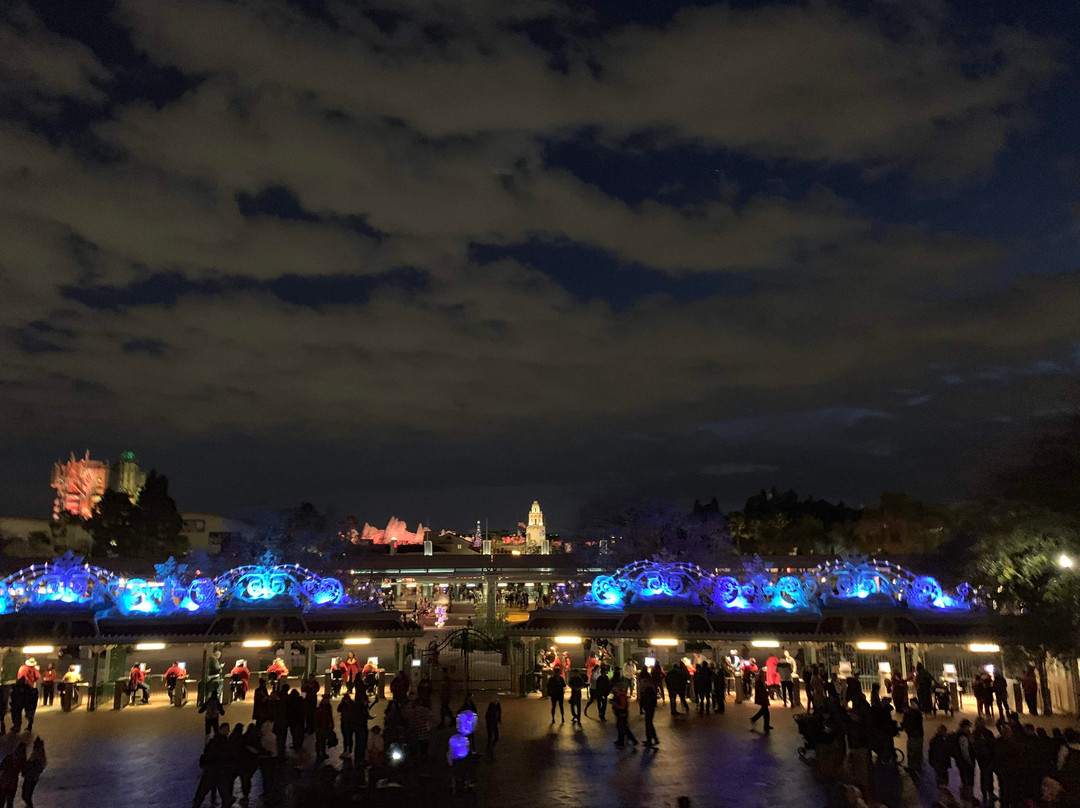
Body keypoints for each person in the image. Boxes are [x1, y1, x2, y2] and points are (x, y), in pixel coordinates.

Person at [193, 724, 230, 808]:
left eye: (228, 729)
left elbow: (206, 754)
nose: (228, 732)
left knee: (202, 792)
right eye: (226, 729)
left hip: (213, 771)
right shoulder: (221, 743)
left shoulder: (214, 741)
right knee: (224, 795)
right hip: (218, 772)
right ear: (220, 730)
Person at [972, 716, 996, 806]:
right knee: (988, 775)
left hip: (982, 758)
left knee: (984, 775)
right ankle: (989, 792)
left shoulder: (975, 733)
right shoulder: (987, 733)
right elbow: (992, 744)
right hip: (986, 758)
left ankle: (986, 793)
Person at [902, 699, 925, 781]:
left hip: (912, 735)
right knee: (918, 750)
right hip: (919, 735)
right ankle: (918, 765)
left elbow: (905, 724)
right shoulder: (918, 713)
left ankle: (911, 766)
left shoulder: (908, 714)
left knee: (911, 751)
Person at [611, 681, 638, 749]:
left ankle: (631, 740)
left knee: (623, 728)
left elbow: (622, 706)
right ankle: (621, 741)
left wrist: (614, 704)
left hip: (622, 714)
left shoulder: (621, 696)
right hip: (620, 713)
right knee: (620, 727)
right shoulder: (618, 695)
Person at [21, 737, 45, 808]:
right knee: (27, 796)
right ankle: (29, 806)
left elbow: (32, 766)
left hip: (30, 778)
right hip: (32, 778)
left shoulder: (37, 755)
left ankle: (29, 806)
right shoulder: (39, 755)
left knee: (26, 796)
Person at [0, 741, 25, 808]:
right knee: (10, 802)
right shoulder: (22, 760)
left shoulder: (9, 756)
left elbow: (1, 767)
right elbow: (23, 772)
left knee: (1, 800)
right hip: (12, 783)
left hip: (4, 781)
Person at [639, 673, 659, 748]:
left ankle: (650, 740)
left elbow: (649, 701)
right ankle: (653, 739)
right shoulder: (648, 691)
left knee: (648, 724)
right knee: (649, 724)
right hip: (649, 709)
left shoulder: (648, 692)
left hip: (649, 709)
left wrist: (646, 707)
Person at [314, 692, 334, 761]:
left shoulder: (327, 707)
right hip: (321, 726)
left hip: (324, 726)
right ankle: (320, 753)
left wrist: (331, 724)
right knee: (320, 740)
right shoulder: (321, 708)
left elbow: (330, 716)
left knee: (323, 740)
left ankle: (322, 753)